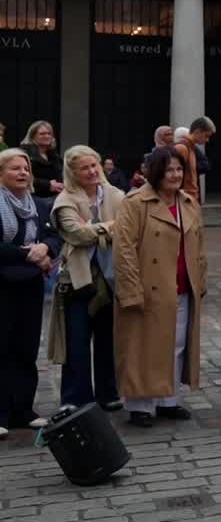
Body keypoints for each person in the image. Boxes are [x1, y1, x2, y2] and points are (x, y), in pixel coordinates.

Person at [113, 146, 206, 427]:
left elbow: (199, 246)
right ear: (155, 172)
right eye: (169, 170)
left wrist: (199, 279)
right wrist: (130, 289)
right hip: (146, 287)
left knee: (176, 344)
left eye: (179, 169)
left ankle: (169, 399)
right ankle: (140, 405)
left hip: (181, 285)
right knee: (142, 346)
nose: (175, 175)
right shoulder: (135, 202)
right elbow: (124, 248)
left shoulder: (189, 203)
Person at [50, 145, 125, 411]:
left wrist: (94, 228)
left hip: (110, 278)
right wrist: (110, 227)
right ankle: (74, 398)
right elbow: (75, 233)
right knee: (77, 342)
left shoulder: (116, 195)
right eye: (85, 167)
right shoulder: (66, 199)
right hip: (77, 280)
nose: (93, 171)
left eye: (95, 164)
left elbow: (129, 226)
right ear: (73, 172)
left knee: (108, 340)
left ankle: (108, 393)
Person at [0, 148, 59, 436]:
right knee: (2, 347)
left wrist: (46, 248)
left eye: (25, 168)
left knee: (25, 348)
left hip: (30, 285)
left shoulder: (37, 204)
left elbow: (53, 234)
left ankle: (23, 410)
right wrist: (28, 255)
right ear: (0, 174)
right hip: (3, 284)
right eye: (14, 168)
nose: (23, 173)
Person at [173, 116, 216, 202]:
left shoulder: (190, 147)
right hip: (184, 199)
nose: (207, 140)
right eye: (206, 136)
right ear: (197, 131)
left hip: (190, 198)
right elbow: (174, 177)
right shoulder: (182, 147)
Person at [20, 120, 62, 199]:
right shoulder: (24, 154)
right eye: (42, 134)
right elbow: (22, 177)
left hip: (56, 197)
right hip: (32, 198)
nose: (47, 136)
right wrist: (47, 185)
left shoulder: (55, 157)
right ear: (32, 136)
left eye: (49, 133)